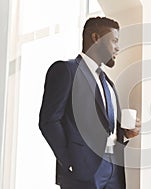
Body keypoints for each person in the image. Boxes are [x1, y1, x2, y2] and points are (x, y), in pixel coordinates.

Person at [39, 16, 140, 189]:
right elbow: (49, 121)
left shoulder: (108, 83)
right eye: (114, 40)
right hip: (82, 170)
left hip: (114, 169)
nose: (118, 47)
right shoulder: (66, 70)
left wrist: (125, 134)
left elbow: (106, 129)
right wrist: (70, 161)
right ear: (96, 38)